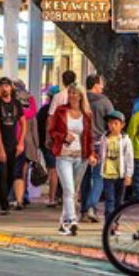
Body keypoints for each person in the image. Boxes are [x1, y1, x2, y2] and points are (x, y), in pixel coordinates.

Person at [50, 84, 95, 235]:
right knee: (68, 189)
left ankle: (63, 223)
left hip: (81, 157)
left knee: (73, 191)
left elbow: (90, 137)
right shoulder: (61, 111)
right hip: (64, 155)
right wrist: (63, 137)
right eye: (70, 93)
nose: (72, 96)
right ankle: (72, 220)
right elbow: (52, 131)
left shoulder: (87, 114)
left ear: (81, 96)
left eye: (75, 93)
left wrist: (92, 154)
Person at [0, 77, 25, 215]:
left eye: (7, 86)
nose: (4, 89)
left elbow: (23, 122)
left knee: (11, 174)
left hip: (13, 145)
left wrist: (21, 142)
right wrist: (0, 148)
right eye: (2, 86)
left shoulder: (16, 104)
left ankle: (5, 199)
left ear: (11, 88)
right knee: (1, 174)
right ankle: (4, 204)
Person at [81, 74, 114, 222]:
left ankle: (84, 211)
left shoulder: (81, 100)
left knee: (85, 177)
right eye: (101, 84)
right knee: (98, 177)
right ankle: (91, 206)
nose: (102, 87)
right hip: (99, 143)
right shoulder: (104, 101)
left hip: (83, 143)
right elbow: (113, 121)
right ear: (95, 85)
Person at [99, 110, 134, 218]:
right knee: (109, 200)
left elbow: (129, 157)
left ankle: (116, 221)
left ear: (122, 125)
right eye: (110, 123)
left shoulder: (125, 140)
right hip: (107, 174)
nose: (112, 126)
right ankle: (109, 221)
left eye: (115, 123)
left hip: (121, 175)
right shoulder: (104, 138)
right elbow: (101, 154)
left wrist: (129, 174)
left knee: (119, 201)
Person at [13, 79, 39, 210]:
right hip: (28, 142)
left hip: (14, 140)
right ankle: (24, 195)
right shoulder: (31, 105)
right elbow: (34, 129)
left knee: (13, 169)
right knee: (24, 170)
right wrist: (37, 145)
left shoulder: (11, 104)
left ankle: (15, 196)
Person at [37, 85, 60, 208]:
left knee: (53, 170)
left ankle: (52, 197)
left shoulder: (44, 110)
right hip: (60, 143)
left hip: (48, 144)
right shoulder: (63, 110)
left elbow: (38, 127)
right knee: (58, 170)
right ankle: (59, 196)